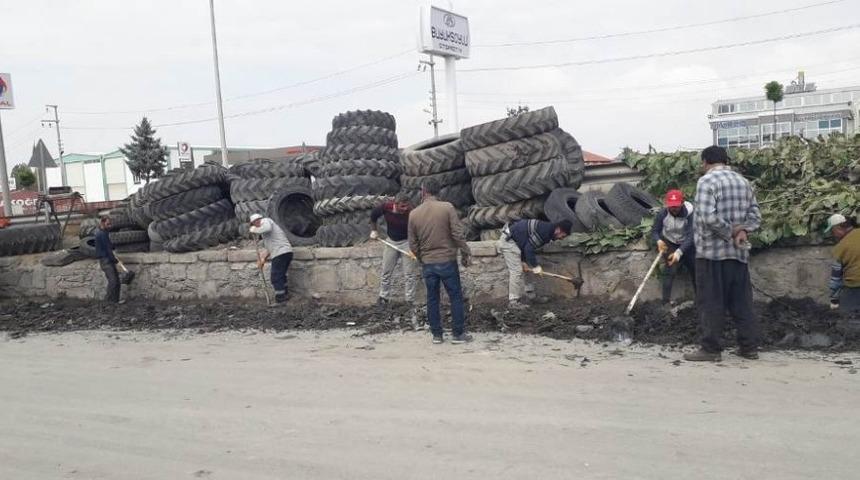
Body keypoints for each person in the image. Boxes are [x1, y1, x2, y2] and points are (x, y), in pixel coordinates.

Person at [685, 145, 762, 362]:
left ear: (706, 161)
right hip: (738, 254)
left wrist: (730, 231)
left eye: (702, 163)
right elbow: (755, 215)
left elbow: (708, 218)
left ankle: (711, 349)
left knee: (711, 303)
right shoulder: (743, 182)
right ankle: (749, 348)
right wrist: (743, 230)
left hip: (711, 254)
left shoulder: (706, 181)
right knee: (742, 302)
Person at [408, 179, 472, 344]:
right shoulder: (447, 208)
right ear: (439, 192)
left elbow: (413, 244)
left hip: (428, 263)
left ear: (423, 192)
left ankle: (437, 335)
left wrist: (422, 258)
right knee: (455, 297)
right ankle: (458, 334)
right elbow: (458, 234)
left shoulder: (414, 214)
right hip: (447, 260)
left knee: (432, 298)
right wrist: (466, 252)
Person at [497, 218, 574, 309]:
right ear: (558, 230)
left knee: (527, 269)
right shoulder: (544, 232)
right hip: (508, 241)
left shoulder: (548, 231)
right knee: (516, 271)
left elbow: (525, 244)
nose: (561, 238)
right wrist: (536, 266)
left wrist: (524, 261)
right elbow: (528, 249)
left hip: (517, 243)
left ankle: (532, 297)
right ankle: (513, 302)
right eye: (563, 235)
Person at [370, 193, 419, 309]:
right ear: (395, 204)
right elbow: (373, 216)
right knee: (386, 272)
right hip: (391, 242)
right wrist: (374, 230)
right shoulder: (386, 207)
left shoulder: (412, 212)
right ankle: (383, 298)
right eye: (402, 206)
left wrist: (415, 246)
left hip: (407, 242)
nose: (405, 208)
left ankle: (410, 301)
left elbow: (418, 228)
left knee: (409, 274)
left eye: (406, 206)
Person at [651, 189, 696, 304]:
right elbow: (655, 231)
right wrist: (659, 241)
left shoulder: (690, 214)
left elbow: (691, 236)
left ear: (682, 203)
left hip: (688, 244)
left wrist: (679, 253)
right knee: (670, 271)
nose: (674, 209)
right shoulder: (663, 214)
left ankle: (700, 301)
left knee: (695, 270)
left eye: (676, 206)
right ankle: (665, 303)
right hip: (670, 243)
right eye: (671, 206)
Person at [249, 213, 293, 303]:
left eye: (256, 222)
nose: (256, 224)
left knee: (275, 276)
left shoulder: (266, 221)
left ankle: (280, 298)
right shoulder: (266, 234)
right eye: (254, 224)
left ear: (259, 219)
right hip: (285, 252)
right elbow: (269, 248)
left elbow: (266, 228)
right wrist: (262, 259)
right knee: (281, 275)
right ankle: (285, 294)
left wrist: (254, 230)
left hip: (281, 252)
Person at [825, 214, 860, 313]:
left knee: (847, 316)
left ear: (838, 228)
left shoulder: (840, 248)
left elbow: (836, 279)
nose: (833, 235)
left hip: (854, 288)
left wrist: (834, 300)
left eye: (832, 231)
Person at [94, 216, 121, 303]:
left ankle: (115, 301)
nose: (110, 226)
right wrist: (114, 260)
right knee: (113, 281)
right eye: (108, 224)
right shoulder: (101, 234)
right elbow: (107, 249)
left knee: (116, 280)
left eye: (110, 224)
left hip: (106, 259)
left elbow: (108, 246)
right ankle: (109, 301)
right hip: (105, 260)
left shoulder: (103, 233)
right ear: (102, 223)